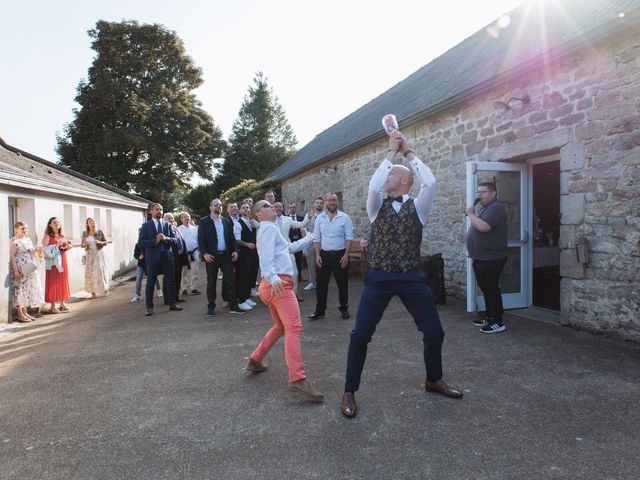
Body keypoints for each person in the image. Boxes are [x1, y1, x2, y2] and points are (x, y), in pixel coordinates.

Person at [340, 131, 463, 419]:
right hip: (379, 277)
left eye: (391, 174)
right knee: (361, 334)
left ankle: (433, 379)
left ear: (404, 181)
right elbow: (372, 186)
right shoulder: (375, 206)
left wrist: (408, 152)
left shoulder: (419, 207)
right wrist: (390, 154)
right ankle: (349, 390)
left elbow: (430, 181)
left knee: (434, 331)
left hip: (411, 277)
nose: (385, 178)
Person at [246, 200, 324, 402]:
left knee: (281, 326)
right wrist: (273, 278)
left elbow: (288, 248)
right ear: (258, 215)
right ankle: (298, 379)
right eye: (265, 205)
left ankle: (255, 359)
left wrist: (311, 237)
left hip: (270, 286)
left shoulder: (269, 228)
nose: (271, 206)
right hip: (279, 285)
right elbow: (265, 258)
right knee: (294, 329)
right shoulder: (268, 229)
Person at [466, 182, 508, 333]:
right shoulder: (486, 208)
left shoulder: (496, 207)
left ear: (493, 194)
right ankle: (489, 316)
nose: (479, 195)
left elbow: (484, 227)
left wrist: (471, 213)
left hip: (492, 257)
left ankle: (498, 321)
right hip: (481, 257)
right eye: (478, 192)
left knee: (491, 288)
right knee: (485, 288)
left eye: (483, 192)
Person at [309, 193, 354, 320]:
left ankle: (344, 308)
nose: (331, 202)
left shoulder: (345, 218)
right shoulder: (319, 219)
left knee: (342, 284)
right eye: (329, 200)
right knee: (321, 285)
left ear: (337, 202)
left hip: (340, 255)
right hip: (323, 255)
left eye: (334, 199)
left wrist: (346, 255)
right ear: (325, 202)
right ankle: (320, 310)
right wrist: (317, 254)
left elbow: (349, 238)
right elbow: (317, 238)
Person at [198, 199, 244, 316]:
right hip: (211, 257)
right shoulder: (204, 221)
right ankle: (211, 307)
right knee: (211, 283)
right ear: (210, 207)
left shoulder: (226, 221)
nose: (218, 207)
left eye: (220, 205)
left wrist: (235, 251)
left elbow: (232, 238)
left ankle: (233, 306)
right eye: (215, 205)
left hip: (226, 256)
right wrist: (204, 254)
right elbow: (201, 239)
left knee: (230, 281)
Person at [137, 203, 183, 317]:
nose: (160, 211)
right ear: (151, 212)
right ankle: (149, 307)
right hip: (152, 259)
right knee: (150, 283)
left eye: (161, 209)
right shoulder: (145, 226)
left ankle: (172, 303)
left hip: (167, 258)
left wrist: (166, 238)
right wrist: (155, 241)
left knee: (170, 281)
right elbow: (141, 243)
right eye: (157, 209)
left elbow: (176, 240)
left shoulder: (167, 225)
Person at [273, 202, 312, 300]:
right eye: (276, 206)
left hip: (288, 249)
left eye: (280, 206)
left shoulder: (288, 219)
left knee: (294, 273)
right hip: (275, 252)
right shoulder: (270, 220)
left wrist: (308, 217)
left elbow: (302, 224)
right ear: (273, 208)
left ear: (283, 208)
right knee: (277, 274)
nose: (278, 208)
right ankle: (279, 296)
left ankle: (294, 294)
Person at [10, 222, 44, 322]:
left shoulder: (28, 240)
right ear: (16, 229)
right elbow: (11, 256)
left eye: (26, 228)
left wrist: (36, 251)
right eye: (22, 228)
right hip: (20, 268)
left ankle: (25, 312)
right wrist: (16, 271)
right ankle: (19, 314)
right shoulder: (13, 241)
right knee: (18, 290)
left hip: (28, 268)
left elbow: (31, 252)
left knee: (25, 290)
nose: (25, 230)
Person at [42, 217, 72, 314]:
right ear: (50, 224)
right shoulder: (47, 236)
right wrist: (56, 245)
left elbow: (63, 247)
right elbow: (45, 250)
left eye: (58, 222)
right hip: (53, 262)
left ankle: (62, 304)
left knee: (62, 280)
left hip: (63, 259)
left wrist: (67, 247)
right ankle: (53, 305)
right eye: (54, 222)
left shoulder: (62, 235)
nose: (56, 224)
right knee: (53, 281)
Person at [234, 203, 259, 311]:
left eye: (248, 208)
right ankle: (242, 301)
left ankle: (247, 297)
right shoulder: (238, 223)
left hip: (254, 253)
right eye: (243, 208)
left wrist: (252, 218)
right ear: (240, 211)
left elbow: (259, 227)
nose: (246, 209)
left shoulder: (252, 222)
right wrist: (247, 244)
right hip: (244, 254)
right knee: (244, 277)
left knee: (252, 276)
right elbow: (237, 239)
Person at [162, 213, 189, 304]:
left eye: (172, 218)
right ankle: (168, 299)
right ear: (164, 220)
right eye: (168, 219)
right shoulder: (163, 229)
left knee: (177, 278)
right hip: (170, 257)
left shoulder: (176, 228)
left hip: (179, 257)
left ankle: (176, 296)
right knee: (168, 279)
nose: (171, 220)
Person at [81, 218, 109, 298]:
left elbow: (106, 242)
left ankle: (104, 289)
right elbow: (82, 245)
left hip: (98, 253)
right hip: (89, 254)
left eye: (93, 221)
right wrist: (84, 243)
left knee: (100, 271)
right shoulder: (85, 233)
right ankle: (92, 292)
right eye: (90, 221)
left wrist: (99, 242)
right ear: (87, 224)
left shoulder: (99, 231)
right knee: (90, 273)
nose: (92, 222)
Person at [131, 237, 162, 302]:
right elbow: (135, 254)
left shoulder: (149, 243)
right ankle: (137, 295)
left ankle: (159, 290)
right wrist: (139, 257)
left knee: (154, 277)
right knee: (138, 279)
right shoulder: (138, 244)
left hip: (149, 264)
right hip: (141, 264)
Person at [303, 197, 324, 291]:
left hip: (322, 243)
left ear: (323, 205)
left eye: (321, 203)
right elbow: (303, 227)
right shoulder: (309, 215)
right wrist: (306, 239)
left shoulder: (326, 216)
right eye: (317, 203)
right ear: (314, 204)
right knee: (311, 263)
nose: (319, 204)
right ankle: (312, 282)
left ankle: (321, 282)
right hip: (310, 242)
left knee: (322, 263)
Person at [178, 212, 201, 296]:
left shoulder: (195, 229)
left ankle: (193, 288)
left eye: (188, 217)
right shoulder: (179, 229)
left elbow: (199, 240)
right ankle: (184, 288)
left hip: (194, 252)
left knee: (195, 271)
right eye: (184, 217)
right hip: (184, 253)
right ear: (181, 219)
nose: (187, 219)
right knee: (183, 272)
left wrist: (199, 251)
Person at [288, 202, 305, 281]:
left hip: (299, 241)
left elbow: (304, 229)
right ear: (288, 209)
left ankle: (299, 276)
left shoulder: (301, 218)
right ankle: (291, 277)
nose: (292, 209)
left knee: (299, 259)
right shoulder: (286, 218)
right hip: (289, 242)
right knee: (290, 260)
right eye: (290, 207)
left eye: (293, 207)